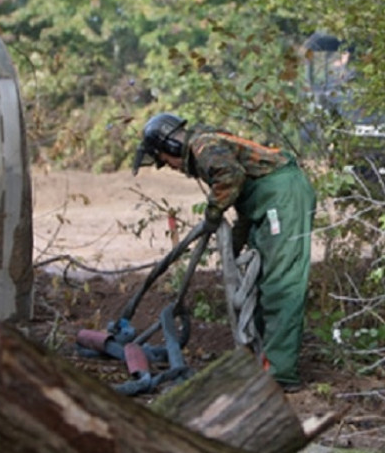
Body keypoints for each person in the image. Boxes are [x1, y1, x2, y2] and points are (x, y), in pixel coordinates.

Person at [131, 113, 316, 391]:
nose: (168, 166)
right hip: (268, 200)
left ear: (170, 146)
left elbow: (232, 177)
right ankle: (262, 360)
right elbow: (243, 200)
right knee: (259, 283)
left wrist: (213, 213)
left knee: (281, 284)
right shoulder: (207, 148)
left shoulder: (203, 146)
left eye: (164, 160)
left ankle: (280, 375)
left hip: (282, 196)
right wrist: (233, 246)